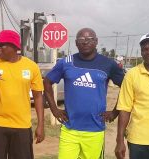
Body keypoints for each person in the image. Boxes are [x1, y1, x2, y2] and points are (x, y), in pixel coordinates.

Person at [43, 28, 124, 159]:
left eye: (89, 39)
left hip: (95, 131)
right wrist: (54, 109)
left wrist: (115, 112)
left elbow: (126, 88)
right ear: (76, 43)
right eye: (81, 40)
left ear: (96, 41)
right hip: (70, 129)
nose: (85, 42)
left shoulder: (108, 64)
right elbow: (47, 82)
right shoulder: (66, 62)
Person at [0, 30, 44, 159]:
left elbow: (38, 96)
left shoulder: (31, 66)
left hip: (22, 125)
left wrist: (41, 125)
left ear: (14, 46)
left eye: (2, 44)